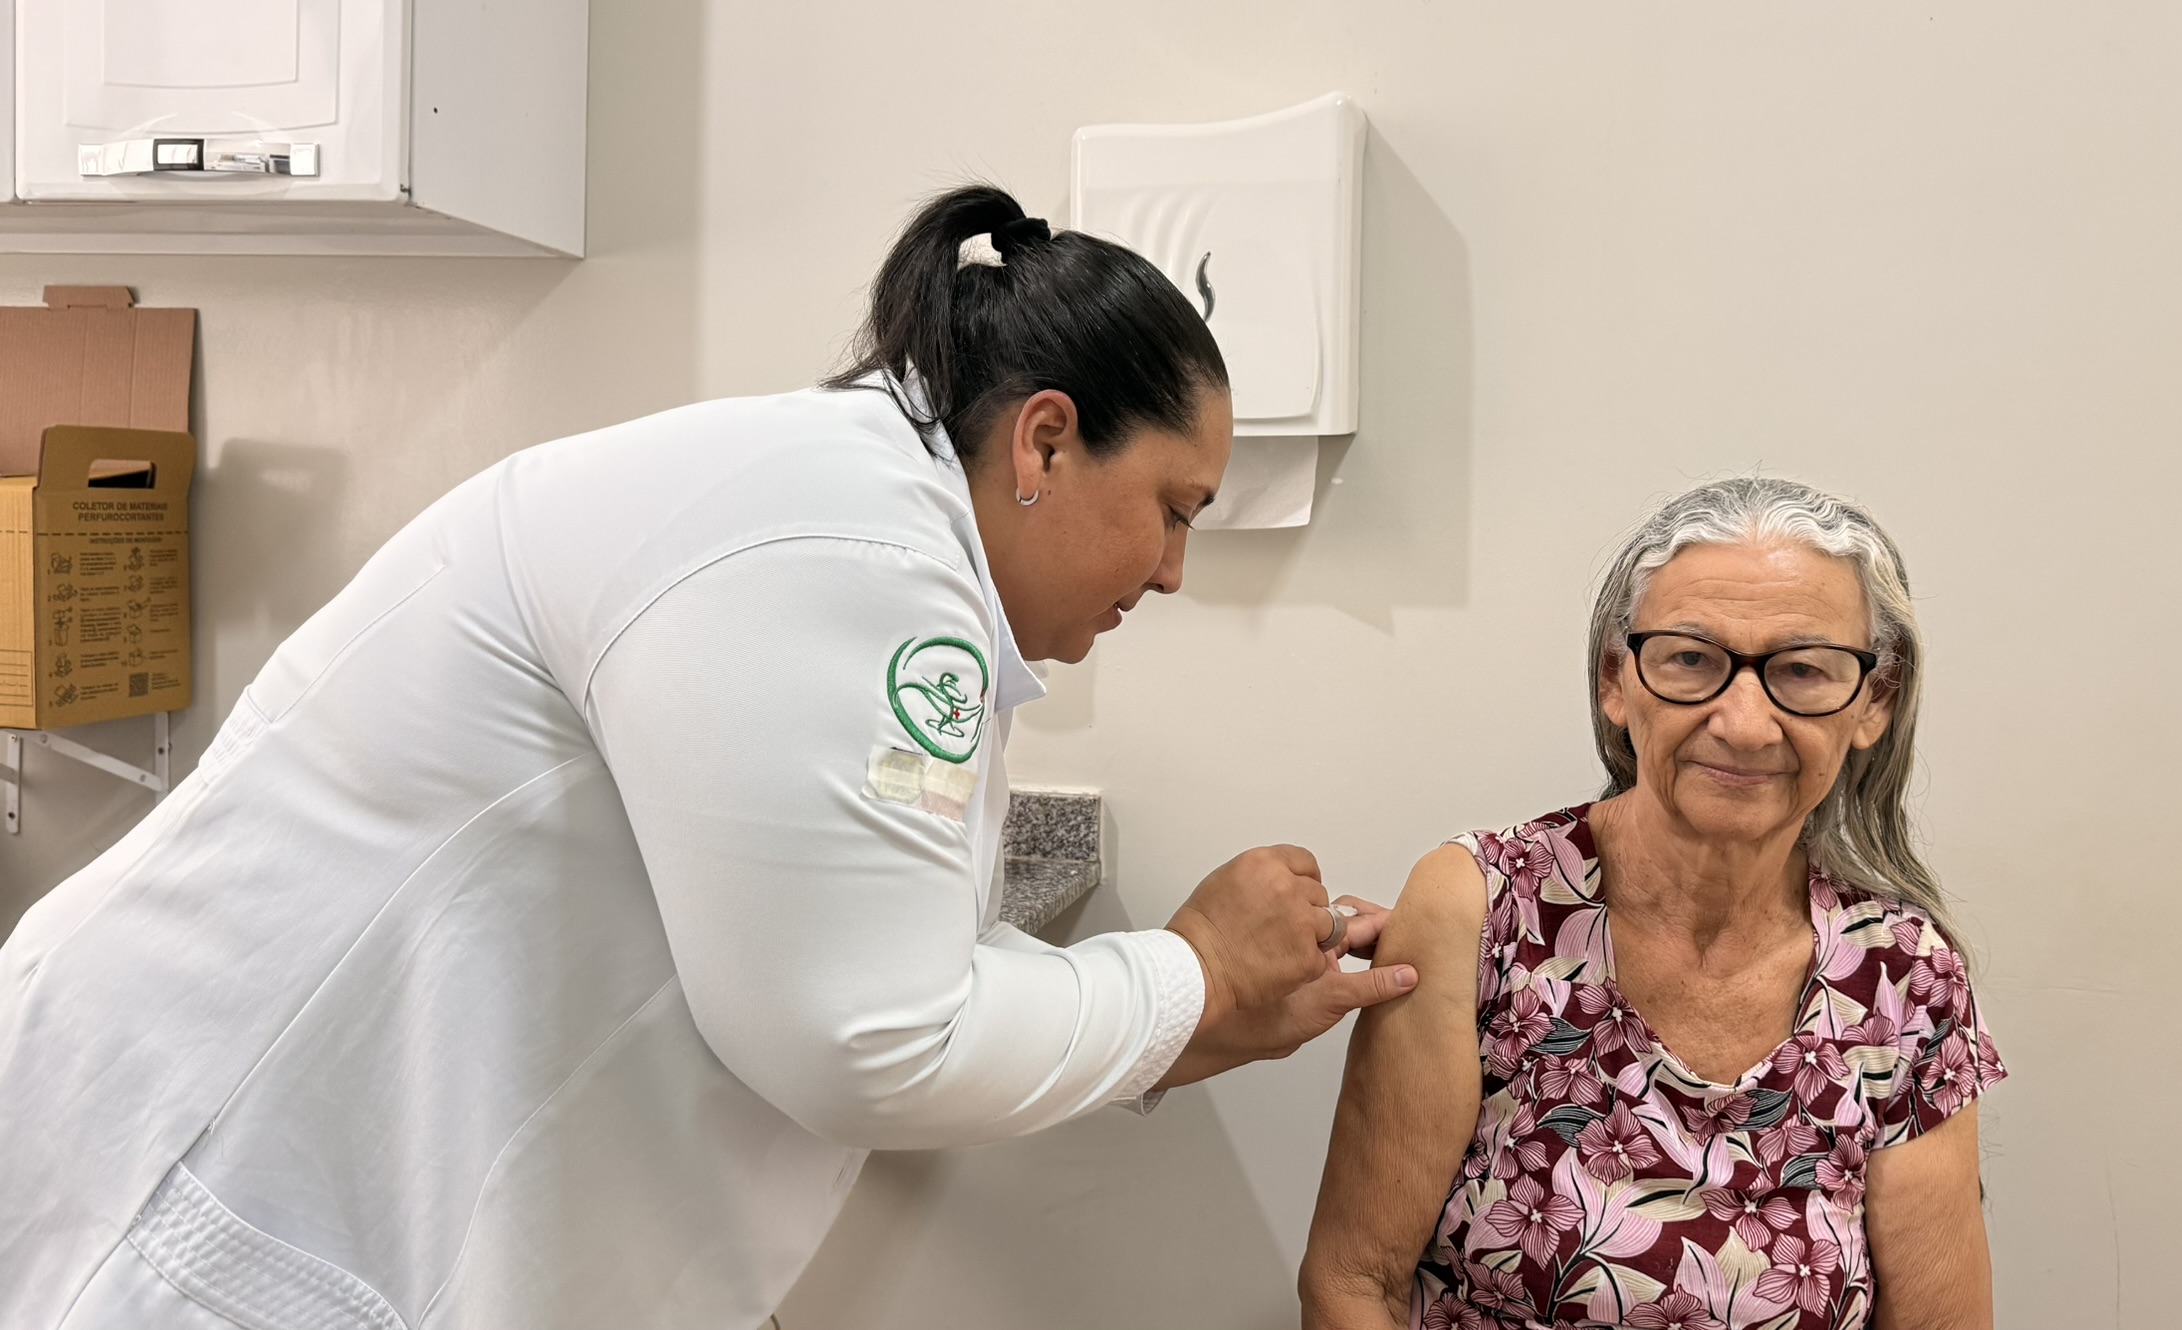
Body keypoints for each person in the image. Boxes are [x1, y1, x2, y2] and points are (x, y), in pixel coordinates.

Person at [0, 184, 1418, 1330]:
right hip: (201, 1175)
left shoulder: (877, 535)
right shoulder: (854, 548)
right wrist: (1191, 977)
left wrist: (1196, 1007)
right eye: (1174, 508)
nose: (1173, 572)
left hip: (310, 1164)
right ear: (1046, 440)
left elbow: (873, 954)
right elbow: (871, 1044)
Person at [1300, 478, 2004, 1330]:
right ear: (1616, 680)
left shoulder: (1904, 977)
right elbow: (1353, 1284)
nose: (1744, 724)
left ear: (1873, 703)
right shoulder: (1483, 911)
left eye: (1802, 670)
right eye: (1691, 660)